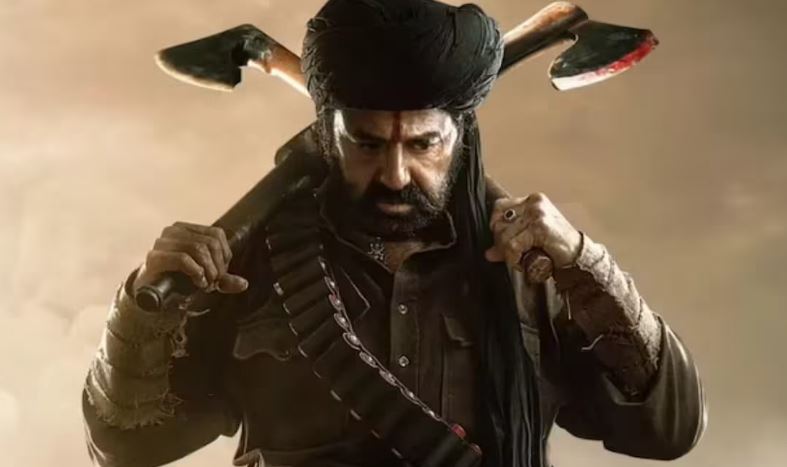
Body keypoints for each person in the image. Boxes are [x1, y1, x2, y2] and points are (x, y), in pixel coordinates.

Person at [81, 1, 706, 466]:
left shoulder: (532, 272)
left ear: (460, 141)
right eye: (368, 144)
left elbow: (667, 429)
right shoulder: (252, 264)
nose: (395, 174)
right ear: (328, 137)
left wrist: (585, 268)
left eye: (424, 144)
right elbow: (125, 446)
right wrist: (145, 307)